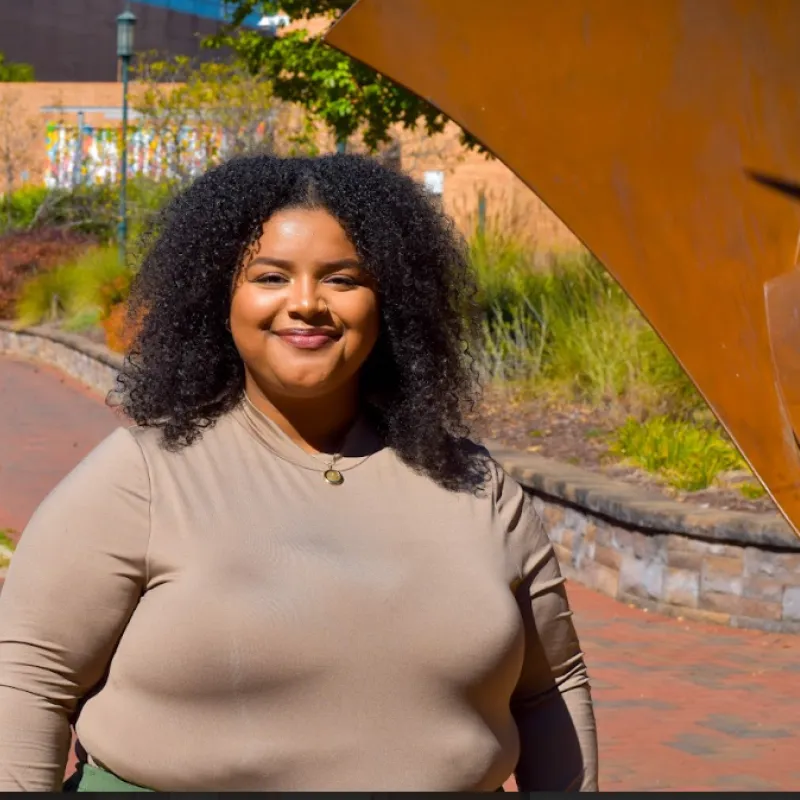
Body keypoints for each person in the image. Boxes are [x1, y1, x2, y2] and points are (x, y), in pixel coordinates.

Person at [0, 153, 598, 792]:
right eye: (271, 276)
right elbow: (30, 680)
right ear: (219, 295)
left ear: (389, 300)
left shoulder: (475, 486)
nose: (306, 303)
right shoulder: (141, 479)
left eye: (342, 278)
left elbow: (549, 691)